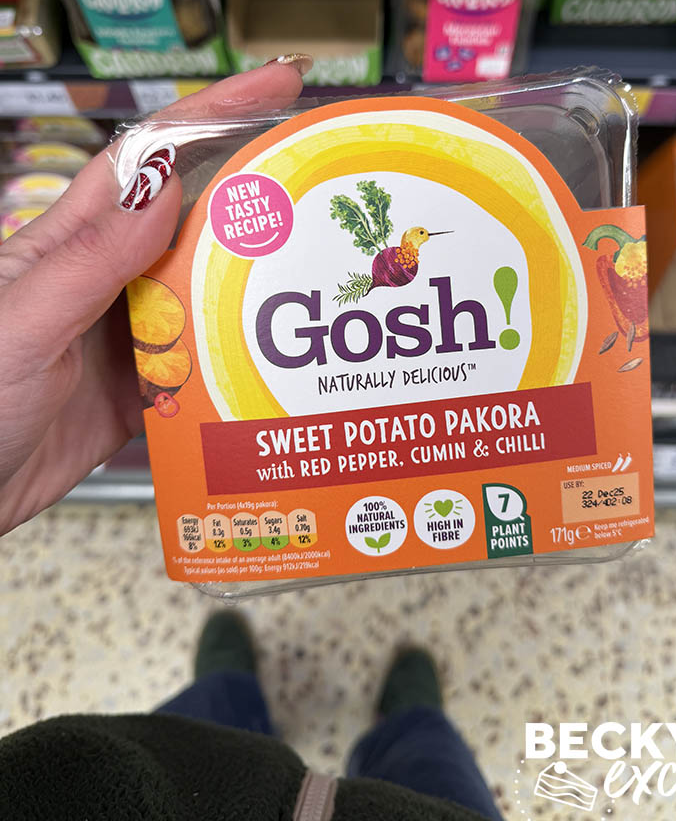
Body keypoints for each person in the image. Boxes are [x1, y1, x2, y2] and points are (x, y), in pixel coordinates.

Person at [0, 59, 503, 821]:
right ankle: (408, 724)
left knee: (203, 719)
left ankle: (234, 692)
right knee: (431, 764)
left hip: (144, 783)